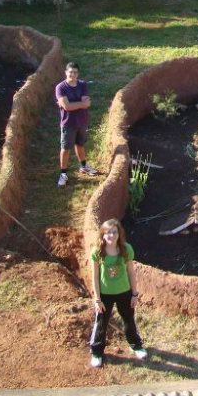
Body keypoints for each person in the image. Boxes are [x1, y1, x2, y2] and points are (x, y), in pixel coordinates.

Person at [89, 218, 147, 368]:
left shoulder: (126, 249)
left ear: (119, 234)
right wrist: (97, 299)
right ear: (102, 235)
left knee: (129, 320)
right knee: (101, 323)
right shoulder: (97, 252)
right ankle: (97, 352)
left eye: (114, 232)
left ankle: (136, 346)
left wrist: (134, 294)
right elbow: (95, 276)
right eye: (107, 233)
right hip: (105, 294)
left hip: (124, 292)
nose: (111, 235)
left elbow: (131, 273)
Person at [55, 61, 96, 187]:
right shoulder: (60, 87)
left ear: (78, 73)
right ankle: (63, 174)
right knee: (65, 149)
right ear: (66, 72)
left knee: (80, 145)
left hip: (82, 121)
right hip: (68, 123)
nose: (73, 74)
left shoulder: (82, 84)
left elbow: (87, 103)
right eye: (70, 72)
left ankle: (83, 166)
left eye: (75, 72)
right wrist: (81, 105)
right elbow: (67, 107)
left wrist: (74, 105)